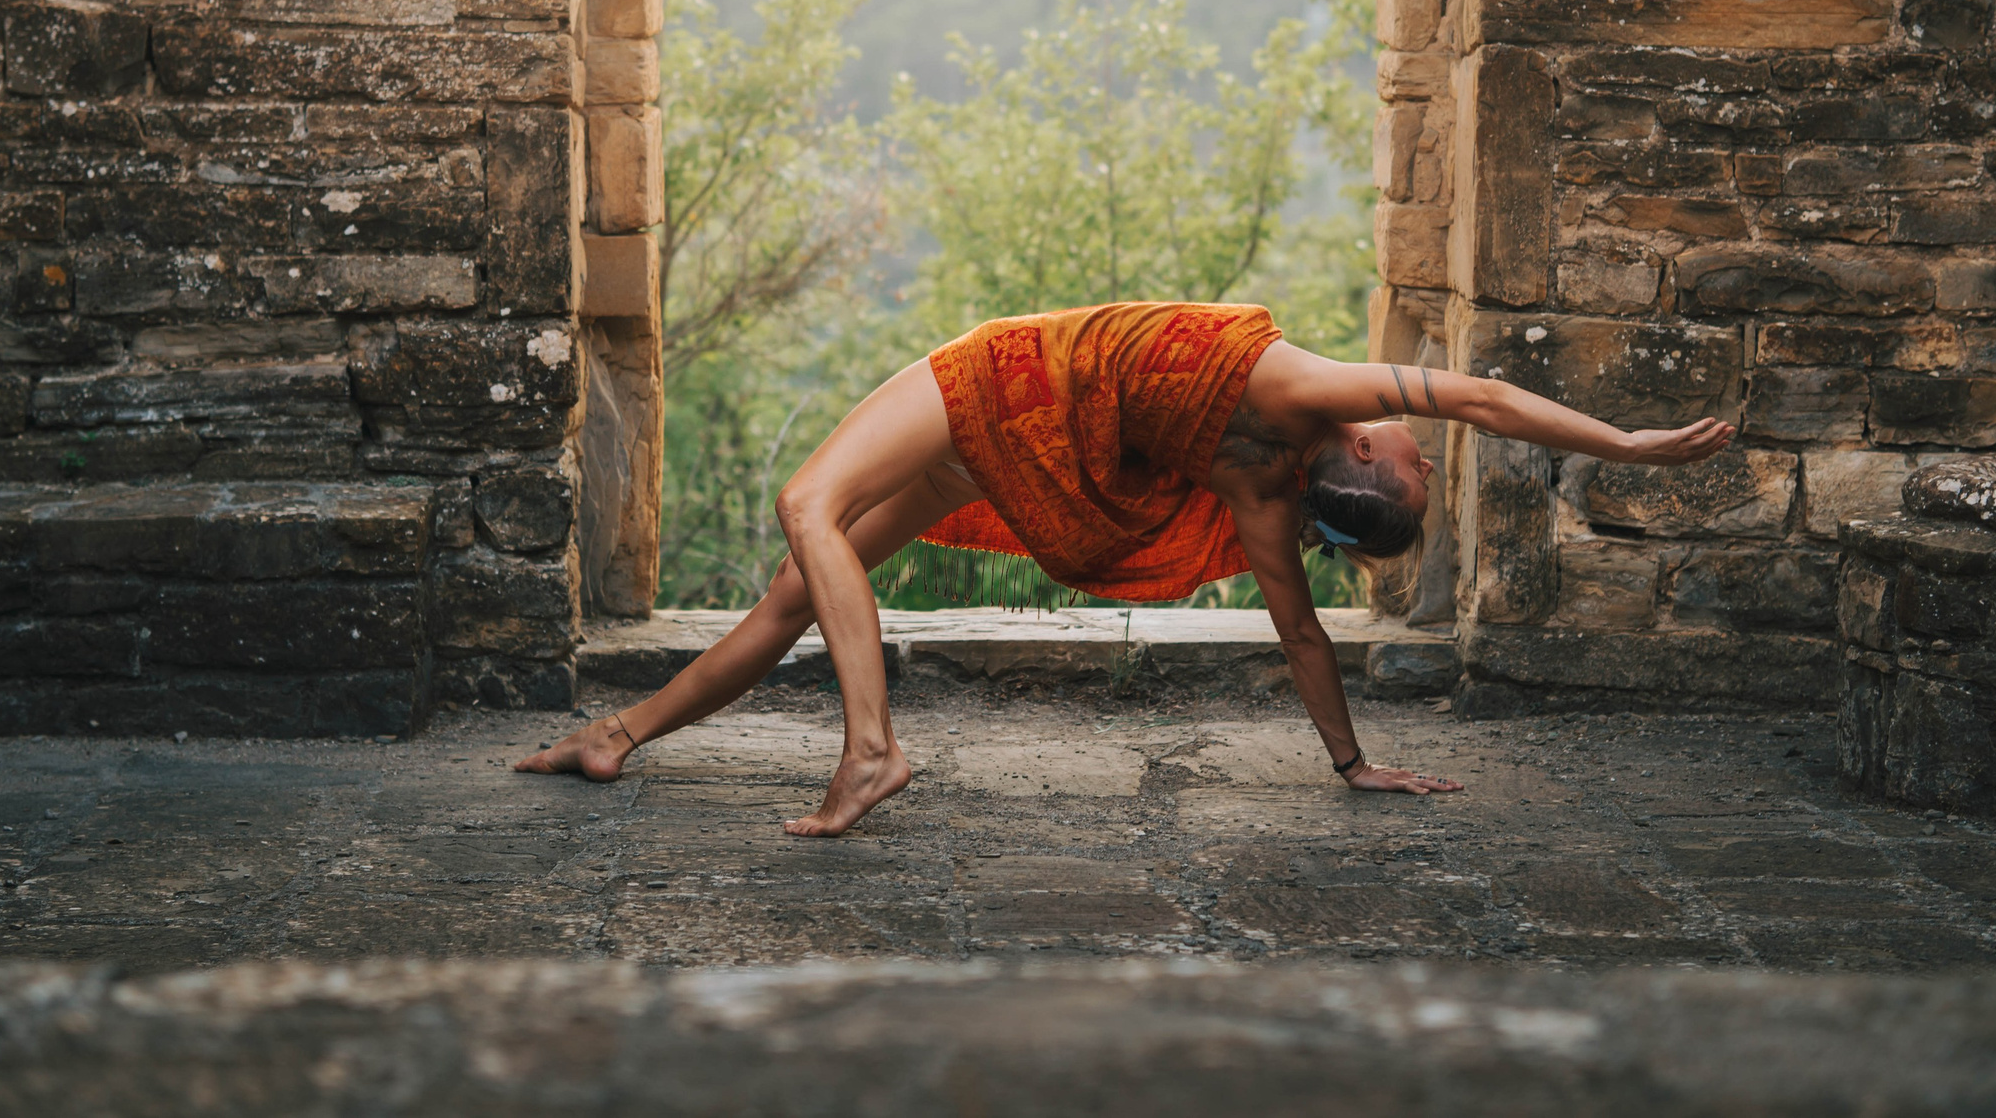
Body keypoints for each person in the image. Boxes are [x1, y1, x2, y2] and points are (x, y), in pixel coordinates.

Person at [518, 302, 1733, 836]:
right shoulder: (1267, 504)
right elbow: (1303, 638)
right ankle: (617, 735)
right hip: (1017, 460)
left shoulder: (1305, 393)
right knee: (798, 590)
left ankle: (871, 749)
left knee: (804, 505)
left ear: (1365, 446)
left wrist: (1623, 442)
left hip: (998, 390)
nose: (1427, 440)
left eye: (1419, 458)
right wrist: (1352, 765)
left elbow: (1472, 395)